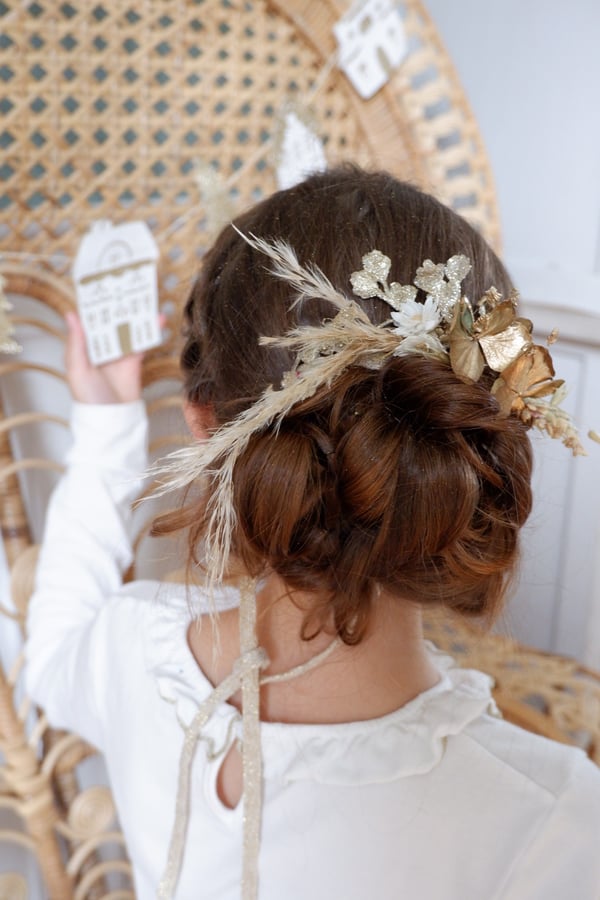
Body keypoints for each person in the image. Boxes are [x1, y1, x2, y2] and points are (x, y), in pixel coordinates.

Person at [25, 167, 600, 900]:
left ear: (204, 425)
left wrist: (104, 420)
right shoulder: (548, 822)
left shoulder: (135, 654)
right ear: (479, 428)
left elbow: (51, 652)